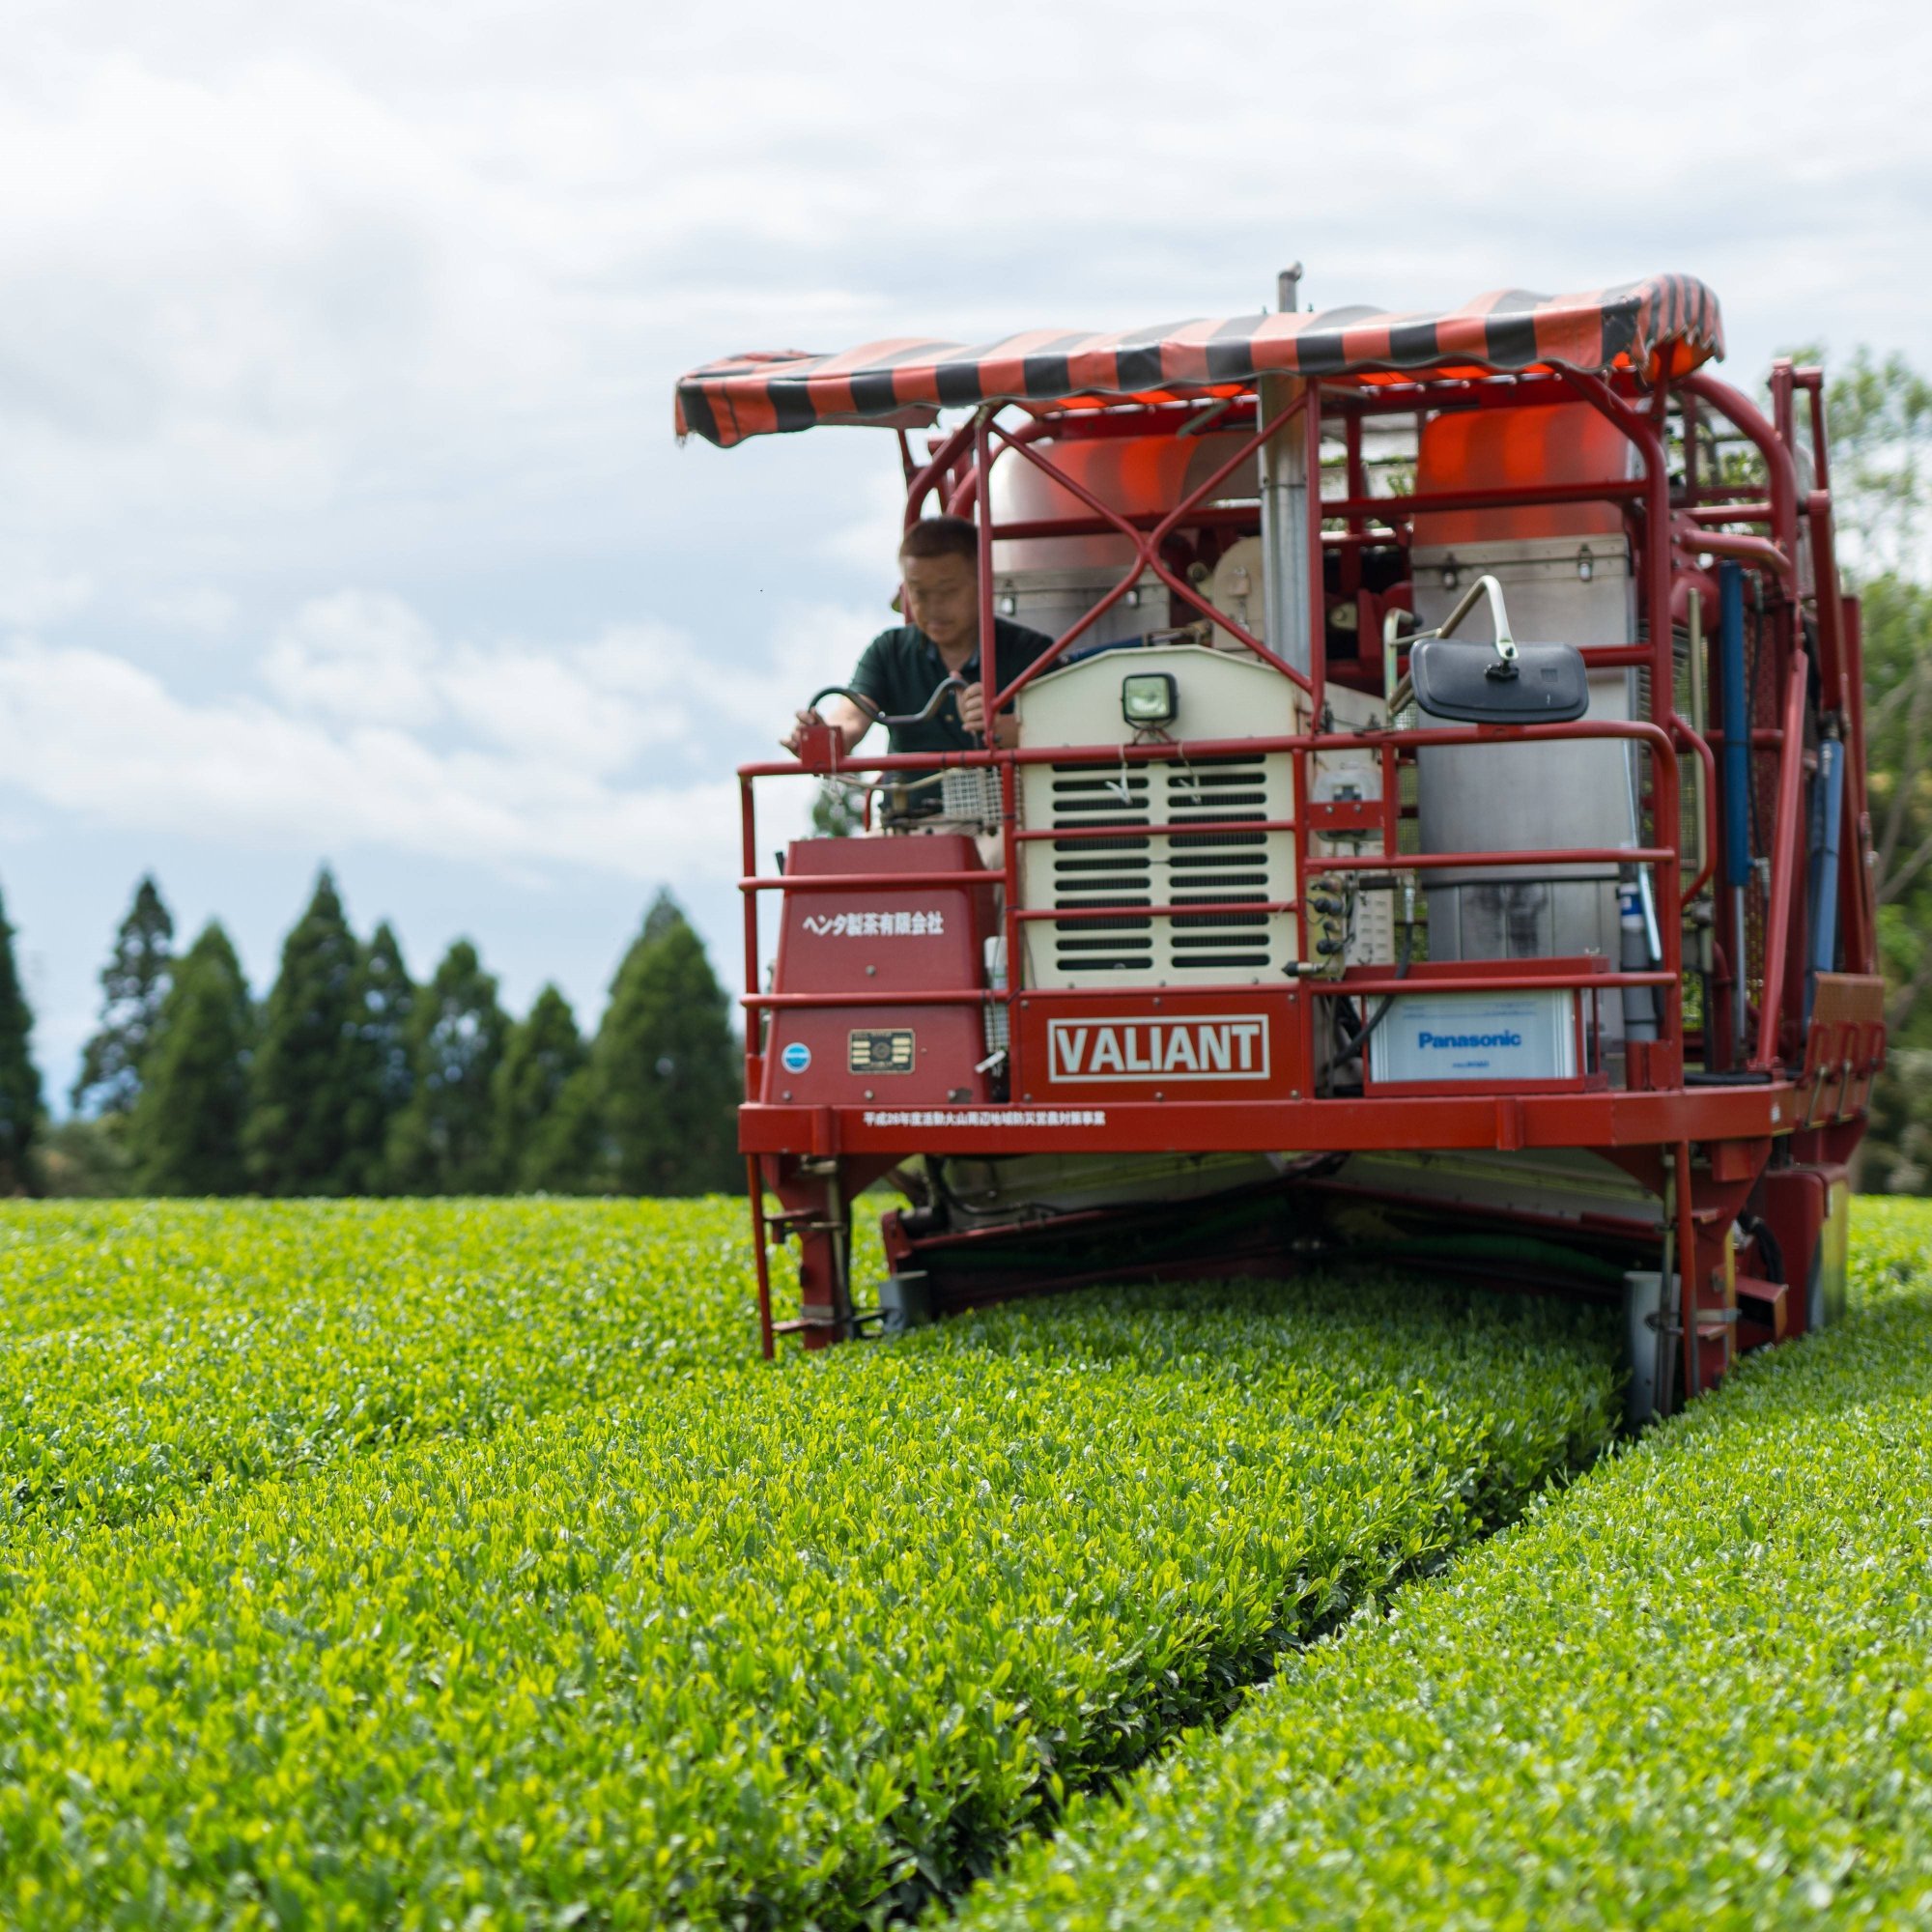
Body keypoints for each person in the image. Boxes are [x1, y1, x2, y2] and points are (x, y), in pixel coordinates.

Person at [783, 516, 1055, 759]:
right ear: (904, 591)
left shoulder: (1033, 653)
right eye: (919, 593)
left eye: (948, 591)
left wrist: (1003, 729)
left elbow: (1069, 733)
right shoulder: (888, 650)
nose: (933, 608)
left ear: (984, 582)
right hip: (906, 802)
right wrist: (827, 736)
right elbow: (851, 717)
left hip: (1009, 802)